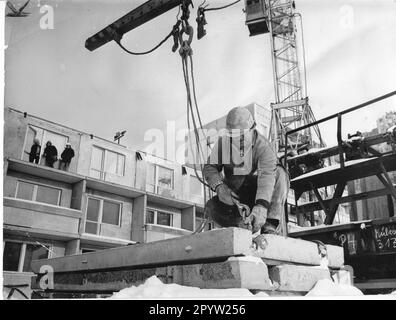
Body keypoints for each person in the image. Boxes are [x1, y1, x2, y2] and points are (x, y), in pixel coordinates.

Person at [202, 107, 290, 235]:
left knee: (280, 174)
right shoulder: (224, 143)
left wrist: (261, 206)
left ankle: (269, 225)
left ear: (252, 129)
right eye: (234, 136)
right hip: (236, 196)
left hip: (258, 193)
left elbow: (267, 176)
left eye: (242, 136)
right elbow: (210, 167)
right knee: (211, 207)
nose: (238, 140)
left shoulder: (264, 147)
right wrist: (220, 187)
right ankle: (240, 226)